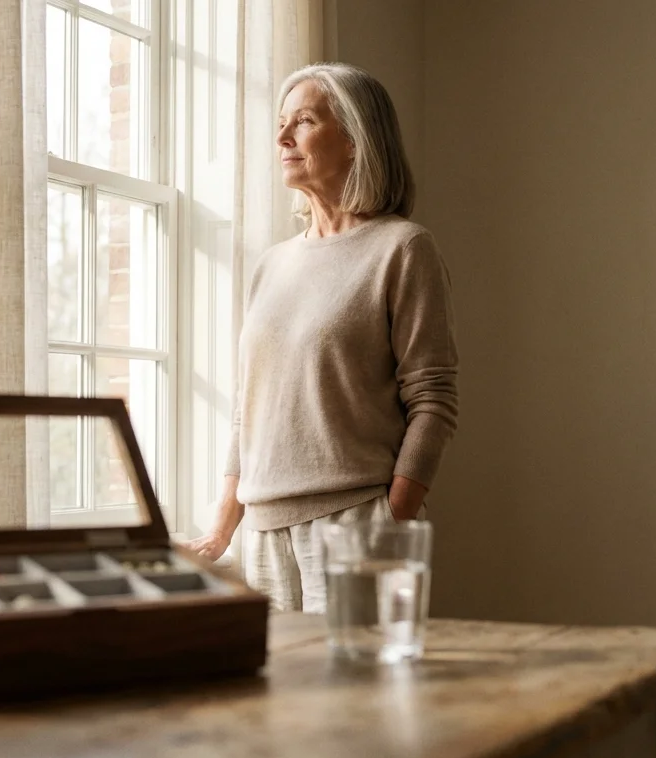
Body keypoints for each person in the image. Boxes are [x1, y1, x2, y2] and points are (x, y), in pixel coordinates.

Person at [182, 63, 459, 613]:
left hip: (356, 523)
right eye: (281, 123)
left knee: (361, 696)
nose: (282, 138)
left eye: (303, 121)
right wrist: (221, 531)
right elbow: (249, 411)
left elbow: (433, 399)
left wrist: (393, 515)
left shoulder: (402, 249)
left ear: (356, 140)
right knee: (279, 698)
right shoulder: (272, 265)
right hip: (261, 535)